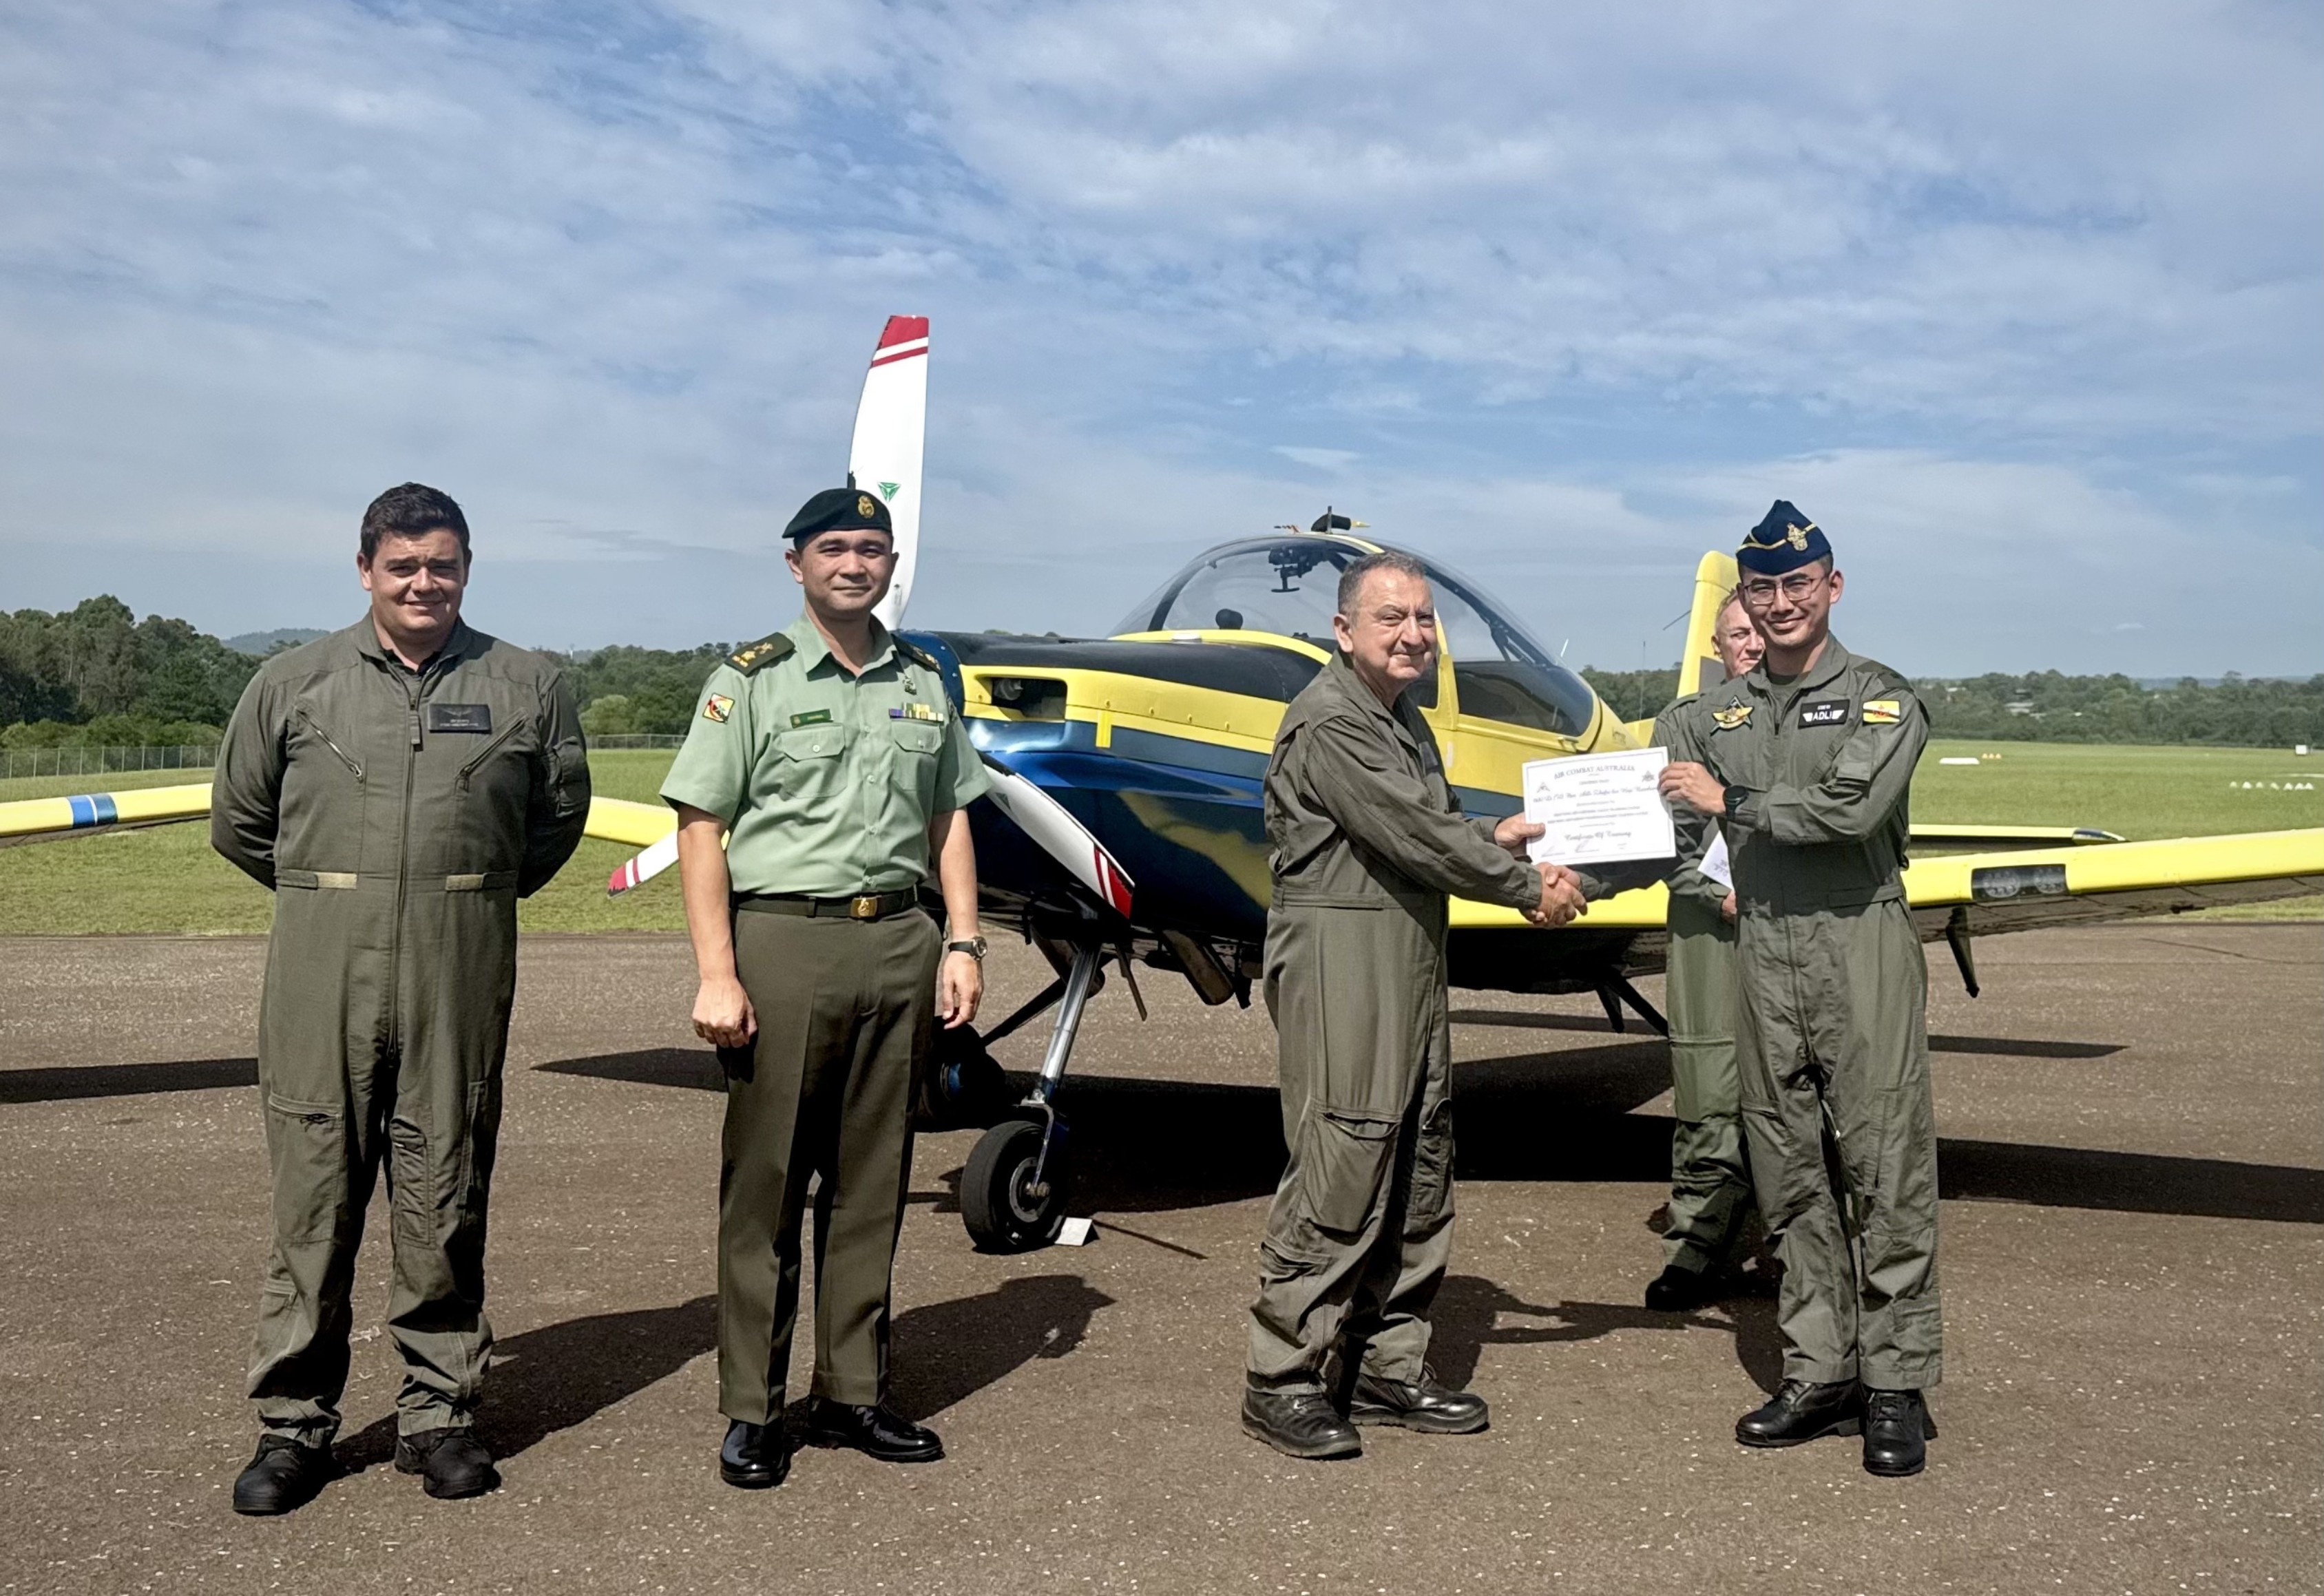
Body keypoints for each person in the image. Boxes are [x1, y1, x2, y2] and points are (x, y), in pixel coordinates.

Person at [211, 483, 591, 1513]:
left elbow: (554, 823)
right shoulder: (293, 682)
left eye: (443, 564)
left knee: (445, 1185)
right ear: (366, 568)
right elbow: (240, 821)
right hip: (322, 968)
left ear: (467, 567)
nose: (425, 582)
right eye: (403, 565)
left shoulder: (529, 685)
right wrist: (338, 898)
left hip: (457, 962)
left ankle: (439, 1414)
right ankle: (294, 1424)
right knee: (315, 1197)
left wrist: (458, 897)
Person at [662, 487, 988, 1491]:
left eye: (872, 548)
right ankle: (753, 1409)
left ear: (891, 564)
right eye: (835, 547)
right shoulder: (750, 679)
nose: (855, 563)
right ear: (796, 562)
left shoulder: (923, 680)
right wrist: (717, 972)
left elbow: (950, 816)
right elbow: (700, 828)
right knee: (767, 1184)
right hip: (784, 940)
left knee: (872, 1180)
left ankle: (851, 1391)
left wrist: (963, 940)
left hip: (898, 939)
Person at [1242, 549, 1591, 1462]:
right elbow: (1407, 832)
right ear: (1342, 629)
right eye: (1390, 617)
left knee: (1416, 1159)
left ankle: (1384, 1365)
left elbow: (1412, 831)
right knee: (1343, 1153)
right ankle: (1282, 1376)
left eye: (1423, 619)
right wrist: (1525, 884)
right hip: (1343, 956)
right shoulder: (1331, 720)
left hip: (1406, 949)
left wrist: (1490, 835)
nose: (1412, 634)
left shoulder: (1399, 719)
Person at [1657, 501, 1940, 1478]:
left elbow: (1848, 808)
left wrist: (1728, 799)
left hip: (1857, 943)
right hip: (1761, 948)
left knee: (1883, 1162)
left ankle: (1894, 1383)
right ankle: (1820, 1369)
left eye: (1797, 583)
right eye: (1762, 588)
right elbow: (1659, 826)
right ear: (1744, 598)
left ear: (1832, 586)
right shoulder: (1708, 716)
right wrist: (1546, 866)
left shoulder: (1880, 698)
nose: (1780, 602)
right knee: (1785, 1167)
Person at [1642, 591, 1766, 1311]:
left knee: (1807, 1092)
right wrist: (1716, 893)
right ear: (1718, 647)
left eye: (1761, 629)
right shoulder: (1684, 722)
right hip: (1709, 927)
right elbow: (1662, 835)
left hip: (1800, 926)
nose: (1752, 643)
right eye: (1738, 633)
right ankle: (1694, 1248)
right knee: (1708, 1092)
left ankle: (1806, 1250)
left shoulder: (1821, 717)